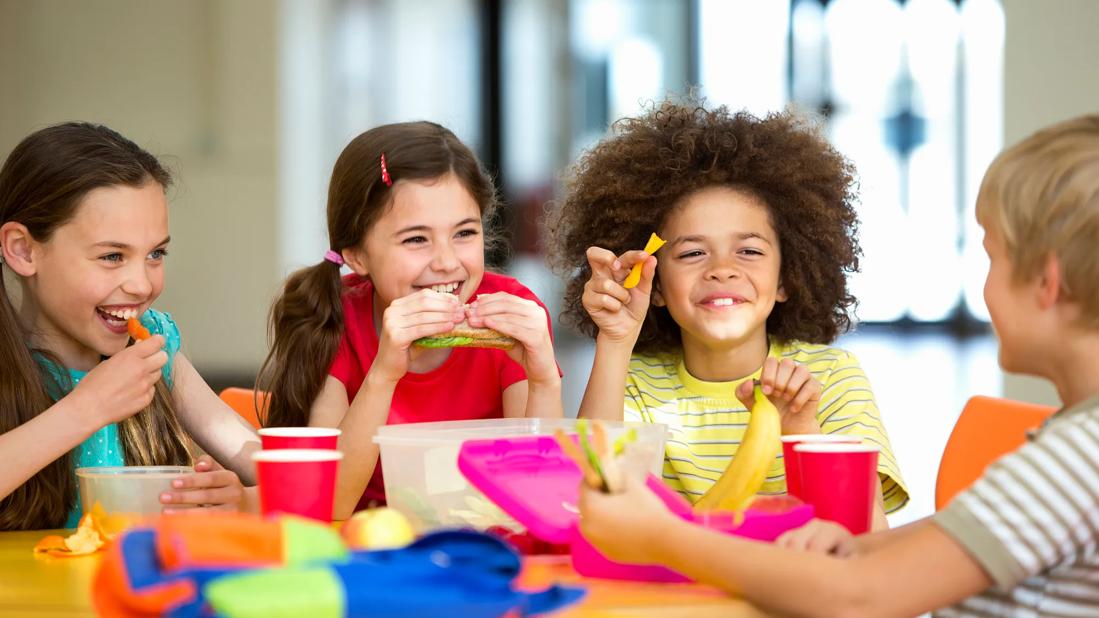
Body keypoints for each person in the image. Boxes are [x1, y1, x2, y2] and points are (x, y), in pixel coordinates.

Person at [578, 114, 1099, 616]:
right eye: (694, 254)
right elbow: (887, 553)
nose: (722, 270)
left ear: (1047, 284)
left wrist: (663, 536)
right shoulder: (1071, 443)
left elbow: (860, 598)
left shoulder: (1079, 457)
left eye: (991, 258)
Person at [546, 101, 907, 526]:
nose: (721, 269)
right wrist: (615, 341)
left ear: (787, 278)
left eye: (749, 251)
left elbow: (868, 538)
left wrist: (802, 431)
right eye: (693, 252)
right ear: (656, 286)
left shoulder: (832, 379)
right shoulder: (634, 383)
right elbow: (590, 505)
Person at [260, 121, 562, 518]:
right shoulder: (335, 318)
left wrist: (543, 379)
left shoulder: (513, 312)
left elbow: (540, 499)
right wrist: (383, 372)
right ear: (357, 256)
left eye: (465, 233)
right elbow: (330, 504)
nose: (447, 262)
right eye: (416, 239)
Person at [0, 122, 261, 531]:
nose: (142, 285)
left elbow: (266, 465)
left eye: (156, 253)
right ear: (23, 249)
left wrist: (247, 499)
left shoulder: (156, 348)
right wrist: (85, 409)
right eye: (111, 256)